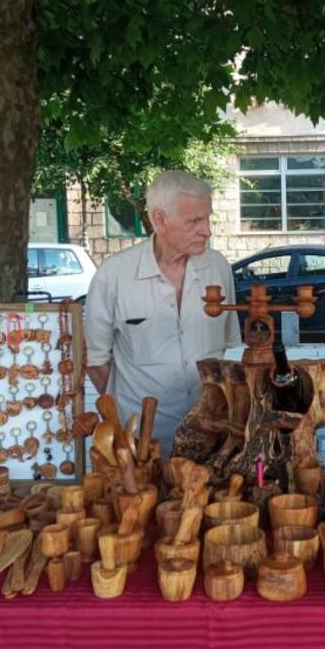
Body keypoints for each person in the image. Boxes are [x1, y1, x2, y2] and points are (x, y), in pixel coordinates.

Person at [84, 171, 242, 453]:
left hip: (211, 435)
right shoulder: (115, 276)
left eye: (208, 218)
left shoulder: (218, 268)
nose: (207, 230)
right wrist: (123, 415)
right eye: (195, 221)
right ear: (160, 220)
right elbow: (96, 362)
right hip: (141, 442)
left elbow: (227, 348)